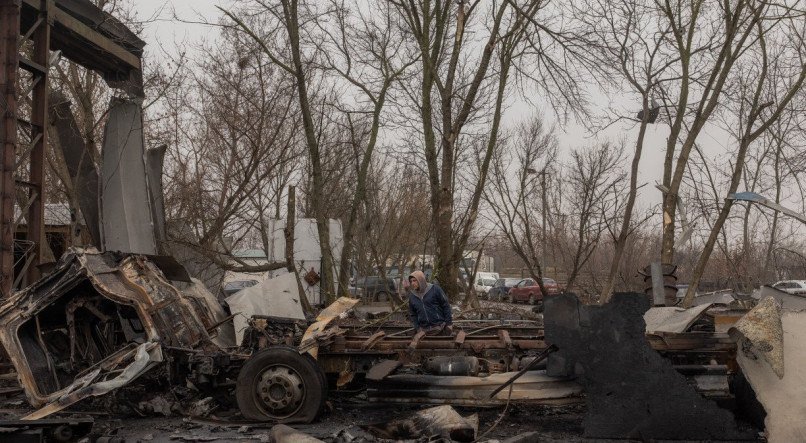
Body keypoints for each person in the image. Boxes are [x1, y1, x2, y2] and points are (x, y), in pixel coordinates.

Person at [407, 270, 453, 335]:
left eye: (414, 280)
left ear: (421, 280)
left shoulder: (435, 289)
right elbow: (413, 314)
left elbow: (446, 306)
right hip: (424, 331)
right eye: (411, 281)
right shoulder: (412, 296)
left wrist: (449, 323)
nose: (412, 283)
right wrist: (418, 328)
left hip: (440, 328)